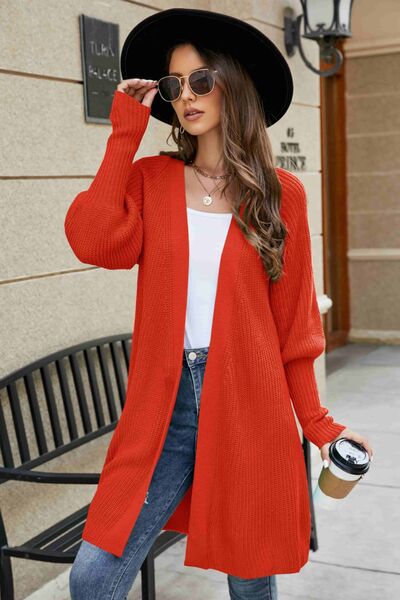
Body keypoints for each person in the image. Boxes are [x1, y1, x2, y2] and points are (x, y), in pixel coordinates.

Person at [66, 8, 374, 600]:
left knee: (250, 576)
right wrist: (124, 134)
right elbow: (94, 241)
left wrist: (319, 425)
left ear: (233, 84)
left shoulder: (280, 194)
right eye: (175, 84)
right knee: (93, 577)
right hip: (165, 408)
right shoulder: (152, 182)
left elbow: (294, 328)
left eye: (201, 80)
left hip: (251, 404)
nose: (186, 95)